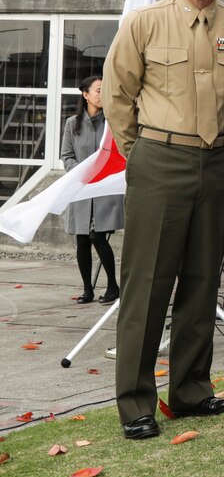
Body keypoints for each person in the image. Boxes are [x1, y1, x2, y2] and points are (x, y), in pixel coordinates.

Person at [102, 0, 224, 440]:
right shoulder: (144, 23)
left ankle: (191, 391)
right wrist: (140, 153)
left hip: (216, 164)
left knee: (201, 282)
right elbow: (118, 95)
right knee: (146, 285)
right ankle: (136, 404)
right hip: (158, 161)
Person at [61, 75, 122, 305]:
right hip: (81, 189)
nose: (102, 94)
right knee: (82, 239)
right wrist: (79, 174)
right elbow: (66, 155)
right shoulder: (71, 125)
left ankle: (113, 286)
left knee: (97, 235)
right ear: (85, 95)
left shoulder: (112, 124)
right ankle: (87, 290)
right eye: (98, 90)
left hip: (104, 189)